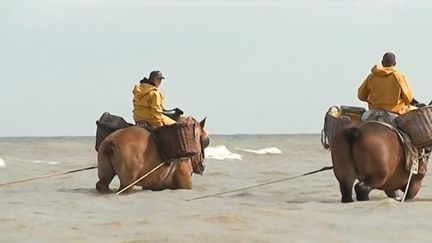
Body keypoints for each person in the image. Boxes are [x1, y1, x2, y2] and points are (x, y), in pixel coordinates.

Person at [358, 52, 418, 118]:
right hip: (394, 113)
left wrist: (371, 101)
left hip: (372, 112)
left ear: (382, 62)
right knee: (417, 111)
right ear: (395, 63)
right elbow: (408, 98)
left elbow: (361, 95)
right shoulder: (399, 76)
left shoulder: (371, 76)